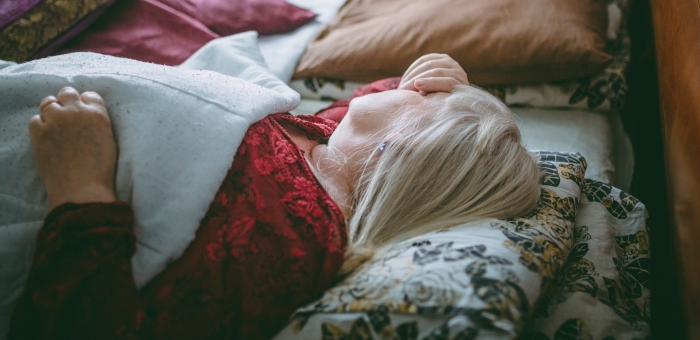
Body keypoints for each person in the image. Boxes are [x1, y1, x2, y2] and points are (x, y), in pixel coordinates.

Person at [8, 54, 540, 340]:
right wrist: (433, 80)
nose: (423, 87)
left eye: (434, 101)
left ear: (404, 148)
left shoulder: (291, 237)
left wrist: (80, 189)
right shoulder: (328, 151)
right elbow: (357, 115)